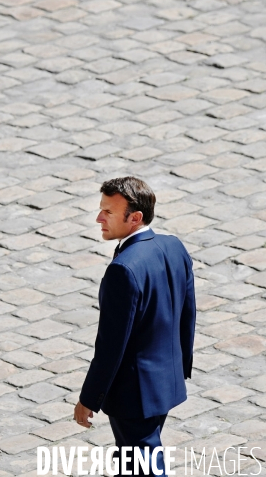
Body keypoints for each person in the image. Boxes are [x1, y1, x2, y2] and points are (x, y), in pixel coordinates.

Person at [73, 176, 196, 476]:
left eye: (109, 212)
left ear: (135, 217)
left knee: (142, 466)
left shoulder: (123, 270)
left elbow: (111, 346)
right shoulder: (173, 246)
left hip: (134, 394)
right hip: (165, 383)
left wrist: (88, 399)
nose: (99, 218)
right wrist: (180, 367)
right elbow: (187, 314)